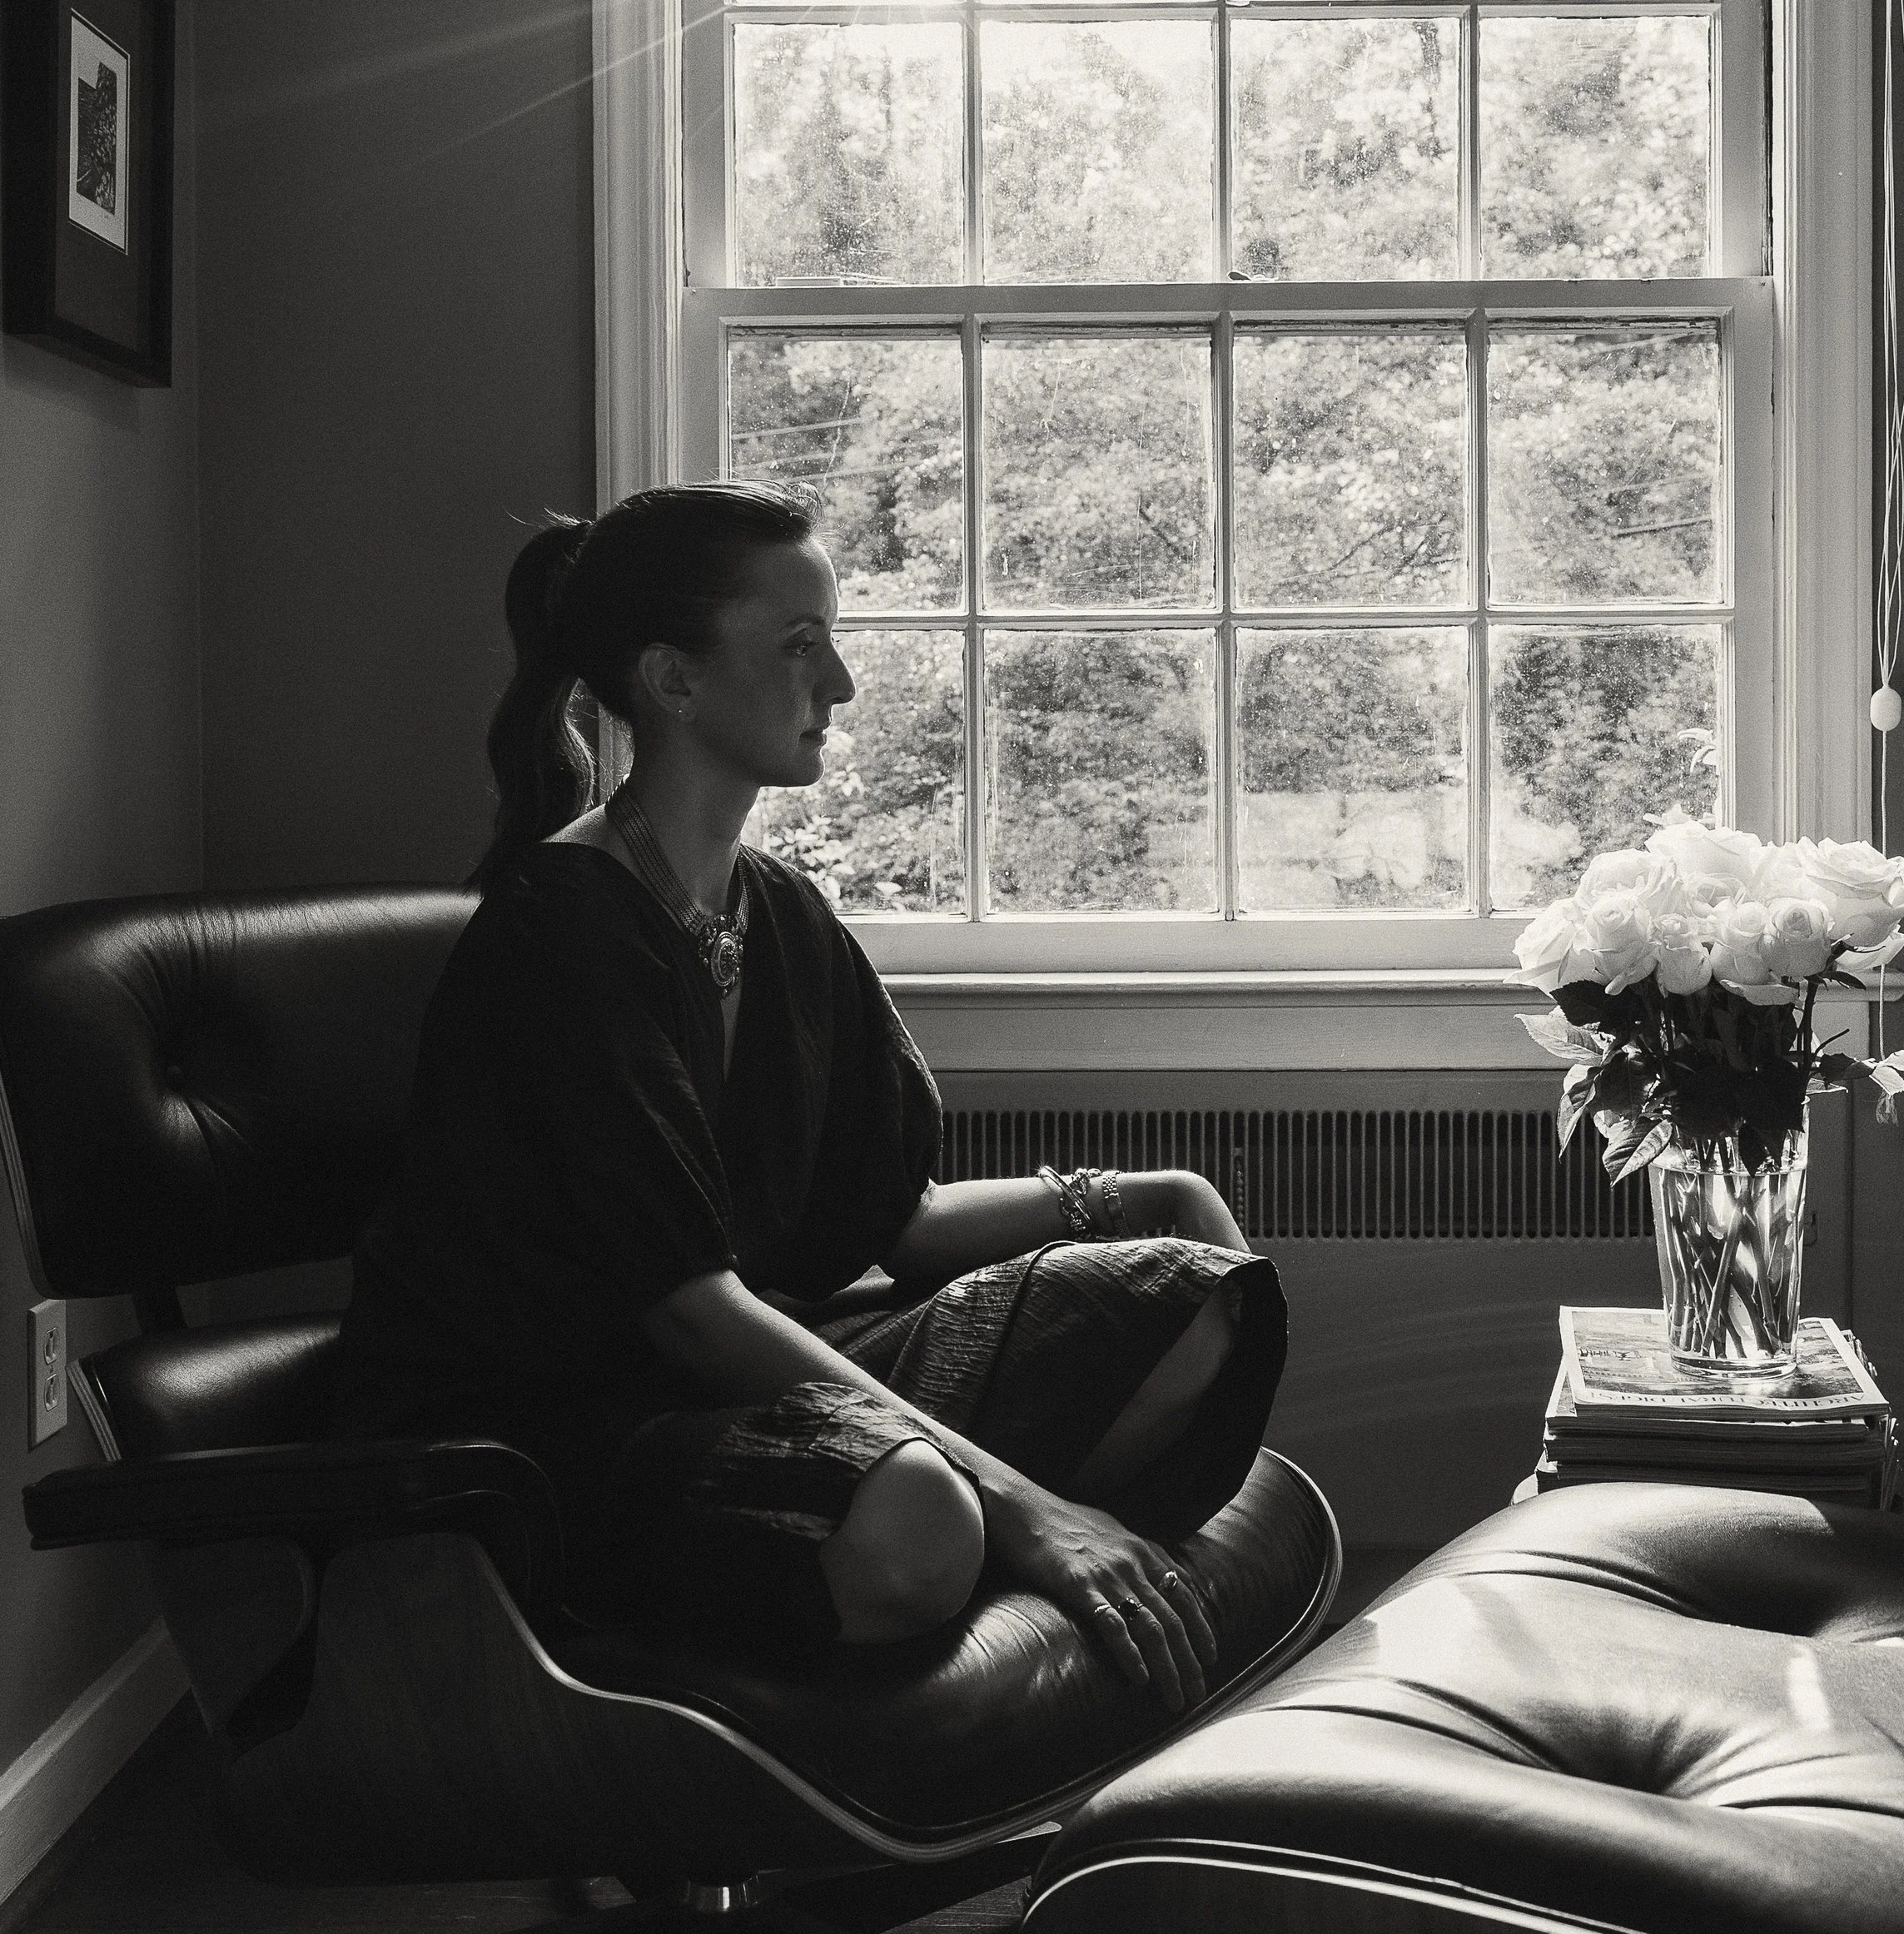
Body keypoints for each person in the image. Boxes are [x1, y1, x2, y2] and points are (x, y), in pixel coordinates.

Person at [326, 485, 1285, 1707]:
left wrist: (1129, 1198)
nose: (840, 684)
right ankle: (944, 1542)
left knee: (1199, 1301)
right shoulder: (557, 934)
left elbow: (890, 1223)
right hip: (554, 1430)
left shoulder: (776, 910)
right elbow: (691, 1314)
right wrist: (1031, 1509)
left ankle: (931, 1533)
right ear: (673, 679)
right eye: (798, 647)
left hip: (748, 1378)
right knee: (918, 1515)